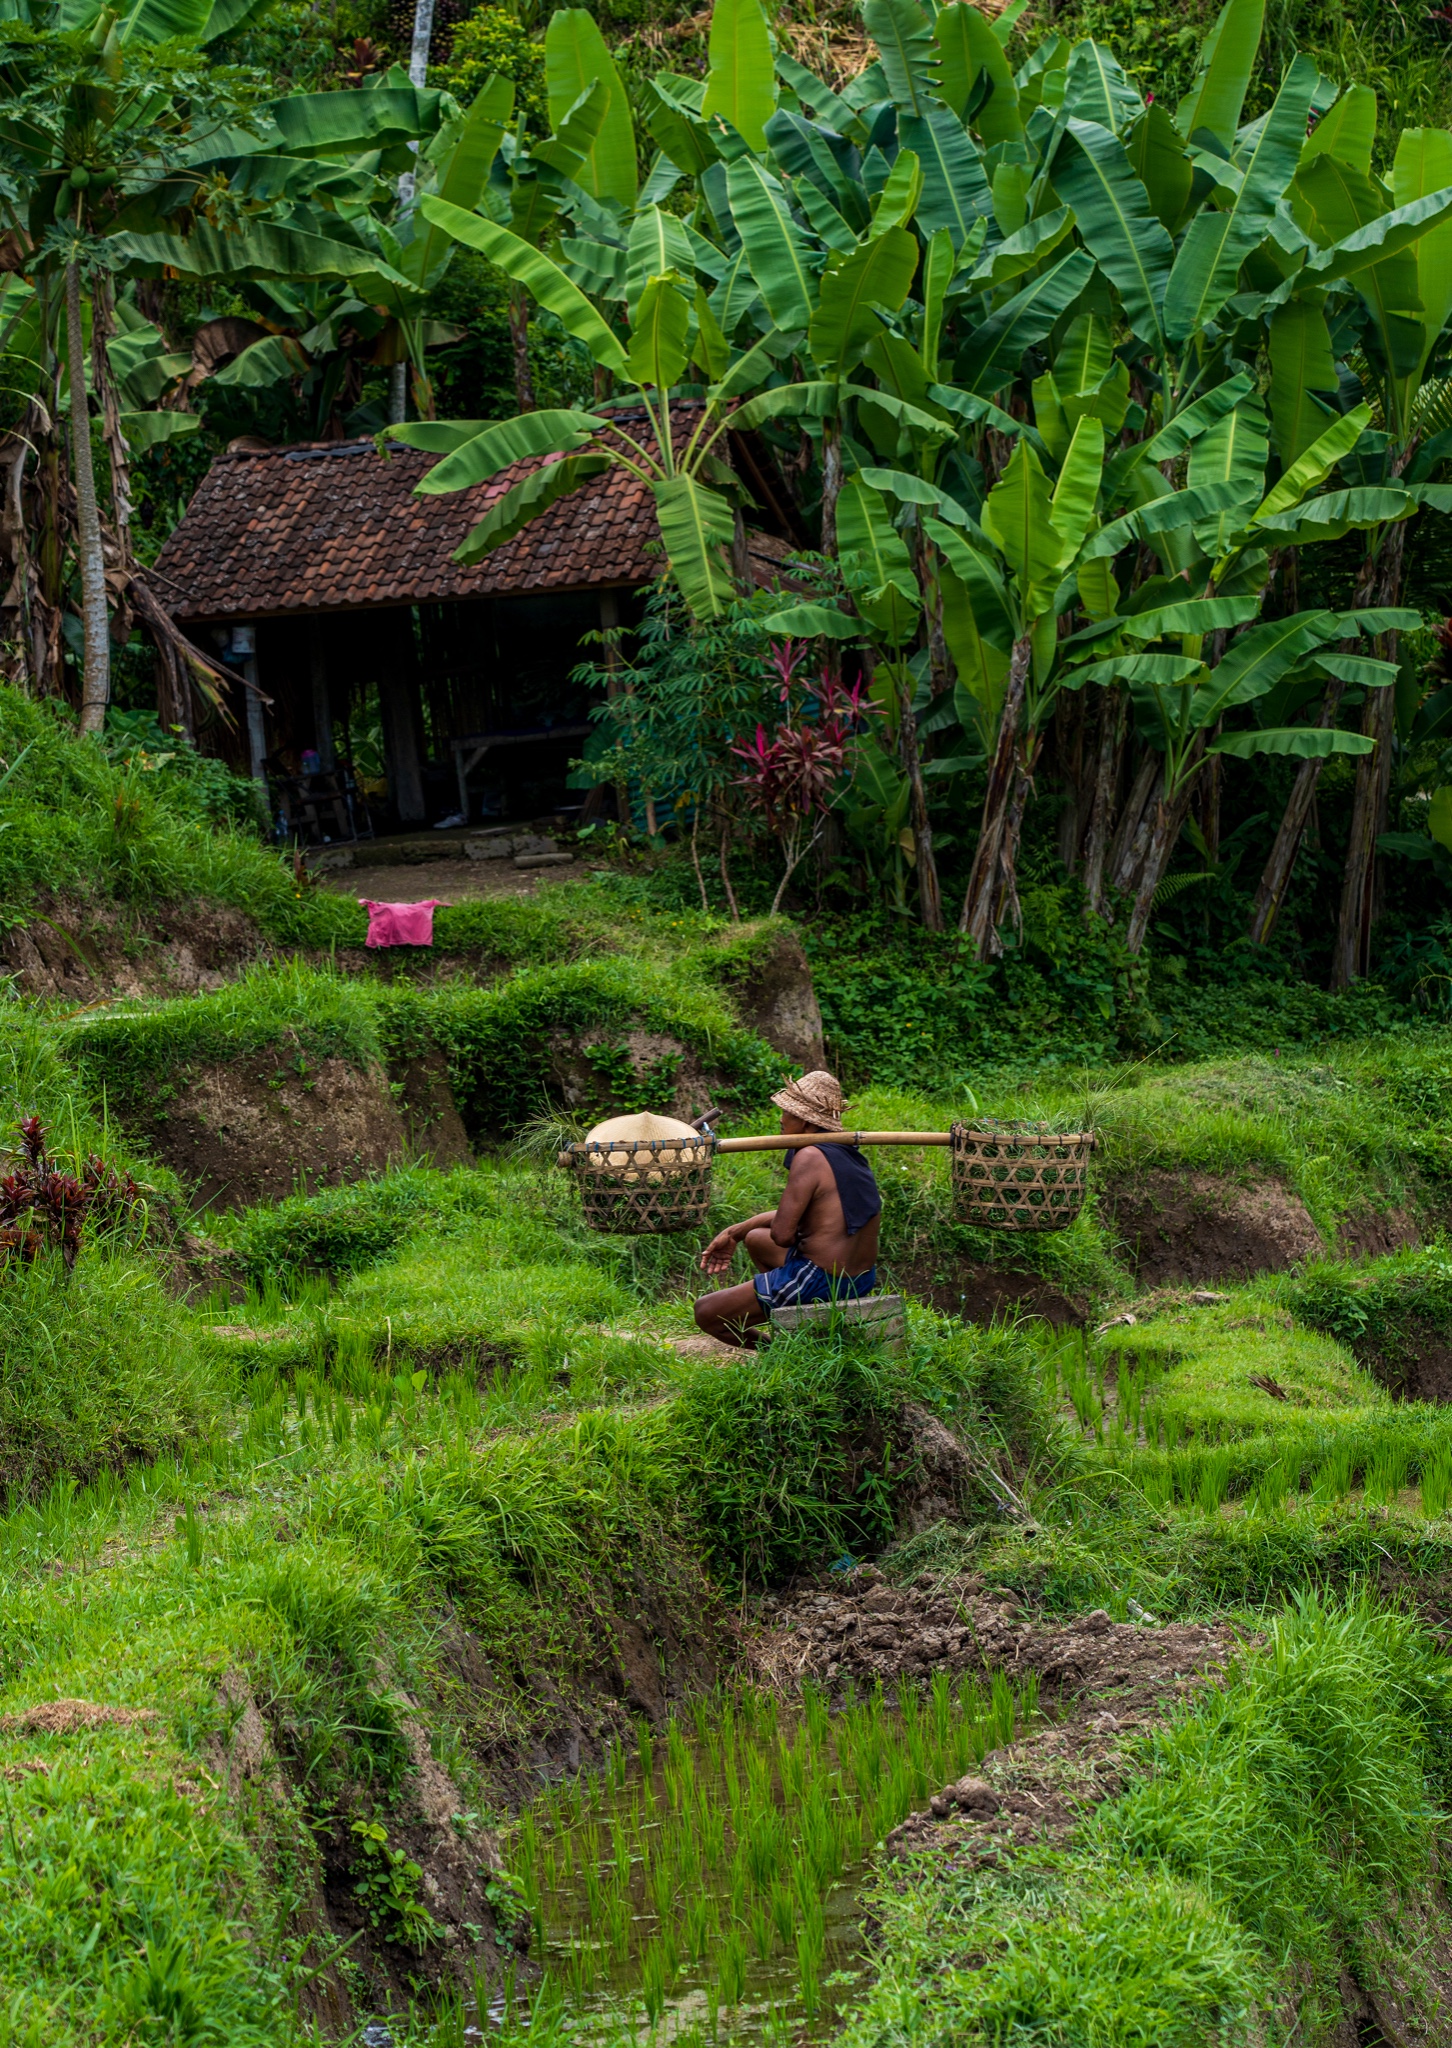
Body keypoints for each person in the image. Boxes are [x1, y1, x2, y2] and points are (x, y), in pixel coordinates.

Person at [693, 1070, 881, 1349]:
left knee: (706, 1312)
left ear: (805, 1122)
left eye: (786, 1112)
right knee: (756, 1238)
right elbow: (816, 1221)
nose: (781, 1119)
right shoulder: (847, 1153)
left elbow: (783, 1235)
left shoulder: (810, 1156)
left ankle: (783, 1352)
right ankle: (789, 1318)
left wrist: (793, 1234)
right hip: (861, 1278)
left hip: (823, 1279)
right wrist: (736, 1232)